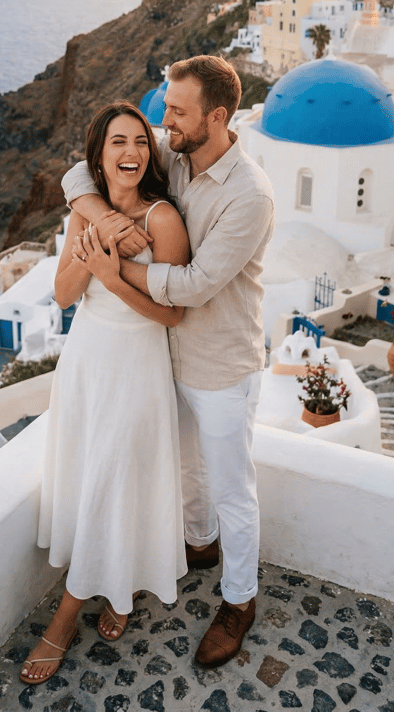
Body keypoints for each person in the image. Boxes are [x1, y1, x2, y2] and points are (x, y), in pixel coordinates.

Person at [62, 55, 274, 668]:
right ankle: (200, 548)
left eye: (176, 112)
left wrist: (112, 263)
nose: (164, 122)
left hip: (220, 362)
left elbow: (194, 284)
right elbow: (84, 167)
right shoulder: (175, 150)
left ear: (216, 116)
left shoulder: (248, 194)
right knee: (184, 469)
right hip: (161, 355)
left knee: (233, 488)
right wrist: (105, 216)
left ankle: (239, 601)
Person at [20, 102, 191, 685]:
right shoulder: (83, 215)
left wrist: (114, 277)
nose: (132, 153)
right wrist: (93, 249)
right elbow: (65, 296)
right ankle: (119, 587)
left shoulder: (163, 219)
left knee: (114, 476)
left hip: (137, 366)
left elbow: (171, 316)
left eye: (141, 142)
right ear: (99, 155)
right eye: (118, 142)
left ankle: (65, 618)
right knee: (94, 473)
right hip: (88, 362)